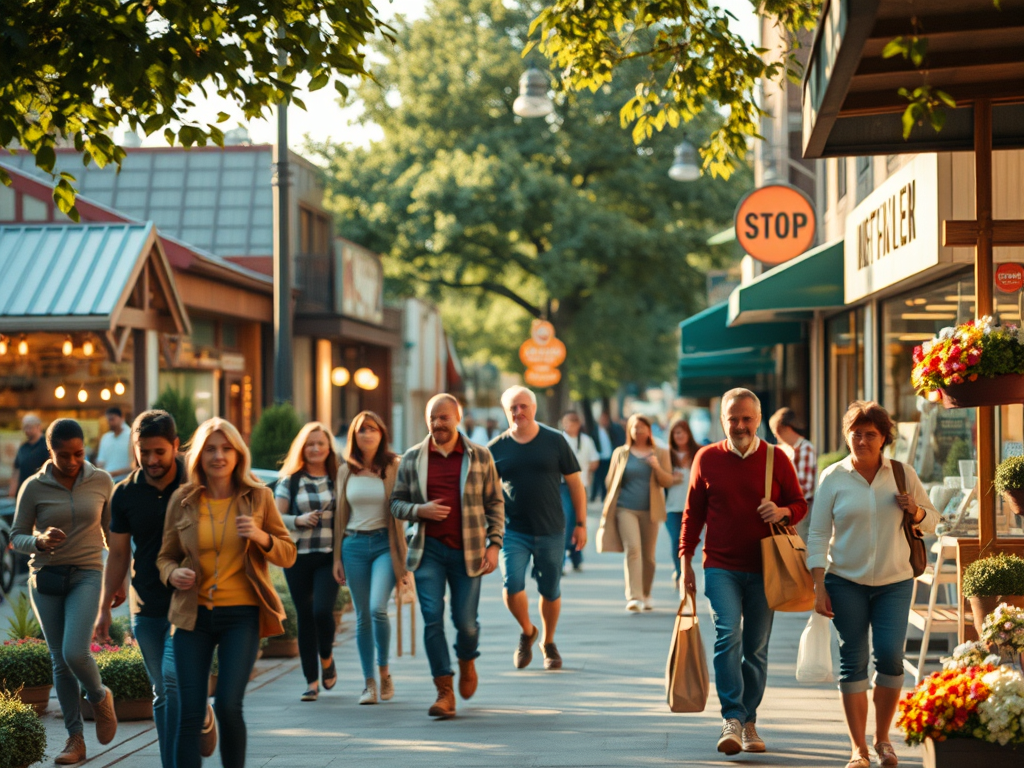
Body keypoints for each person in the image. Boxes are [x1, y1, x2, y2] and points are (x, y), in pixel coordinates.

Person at [157, 418, 296, 768]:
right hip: (192, 616)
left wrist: (262, 537)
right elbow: (165, 556)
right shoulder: (183, 499)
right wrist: (173, 574)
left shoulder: (260, 496)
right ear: (199, 456)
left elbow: (288, 553)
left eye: (226, 448)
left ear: (238, 454)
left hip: (242, 616)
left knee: (229, 706)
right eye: (210, 449)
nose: (218, 456)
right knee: (189, 712)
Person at [807, 401, 938, 768]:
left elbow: (933, 522)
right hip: (845, 580)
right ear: (847, 435)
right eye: (856, 432)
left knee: (891, 656)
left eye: (870, 434)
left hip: (894, 582)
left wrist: (915, 510)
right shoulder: (832, 476)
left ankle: (883, 741)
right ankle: (858, 749)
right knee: (853, 661)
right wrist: (818, 584)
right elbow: (817, 534)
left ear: (884, 439)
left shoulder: (902, 473)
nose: (862, 440)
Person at [680, 388, 807, 756]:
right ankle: (732, 718)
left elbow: (798, 504)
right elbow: (693, 514)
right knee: (727, 635)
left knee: (756, 648)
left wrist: (782, 512)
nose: (740, 425)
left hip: (767, 567)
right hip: (721, 565)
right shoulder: (706, 458)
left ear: (758, 419)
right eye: (733, 419)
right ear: (723, 420)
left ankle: (750, 721)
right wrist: (685, 560)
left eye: (747, 419)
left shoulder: (777, 459)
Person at [94, 410, 216, 766]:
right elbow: (117, 554)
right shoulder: (125, 493)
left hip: (194, 603)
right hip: (146, 604)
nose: (150, 460)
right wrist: (104, 607)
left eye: (159, 452)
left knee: (172, 682)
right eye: (142, 452)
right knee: (163, 691)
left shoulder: (199, 483)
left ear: (176, 446)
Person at [11, 418, 117, 765]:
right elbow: (16, 536)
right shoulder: (33, 487)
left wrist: (121, 581)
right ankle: (75, 739)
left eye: (78, 453)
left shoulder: (101, 481)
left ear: (85, 449)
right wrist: (38, 541)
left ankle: (100, 697)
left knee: (75, 652)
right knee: (59, 660)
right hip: (46, 578)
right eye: (62, 455)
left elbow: (115, 537)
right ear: (49, 451)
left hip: (87, 573)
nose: (71, 461)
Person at [391, 394, 505, 718]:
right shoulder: (413, 458)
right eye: (433, 418)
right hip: (428, 552)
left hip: (468, 551)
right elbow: (396, 503)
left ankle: (467, 660)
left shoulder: (480, 456)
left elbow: (495, 504)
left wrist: (494, 545)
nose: (438, 424)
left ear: (458, 417)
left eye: (444, 417)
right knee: (431, 618)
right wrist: (419, 510)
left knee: (465, 623)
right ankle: (444, 691)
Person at [489, 386, 585, 670]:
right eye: (512, 408)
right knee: (511, 585)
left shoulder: (555, 441)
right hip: (512, 531)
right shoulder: (495, 449)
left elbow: (575, 484)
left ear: (533, 407)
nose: (519, 412)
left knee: (550, 589)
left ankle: (549, 641)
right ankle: (528, 630)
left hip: (551, 529)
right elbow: (484, 494)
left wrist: (580, 523)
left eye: (523, 406)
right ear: (506, 412)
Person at [331, 411, 407, 705]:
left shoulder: (394, 467)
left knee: (377, 608)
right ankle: (369, 683)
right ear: (354, 436)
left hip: (385, 545)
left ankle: (385, 671)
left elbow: (403, 509)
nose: (367, 434)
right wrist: (337, 556)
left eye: (373, 429)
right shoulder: (345, 471)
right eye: (362, 430)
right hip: (353, 546)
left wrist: (405, 556)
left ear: (382, 434)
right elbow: (340, 517)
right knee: (363, 617)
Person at [275, 421, 341, 702]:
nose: (315, 448)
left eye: (321, 444)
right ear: (302, 447)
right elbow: (274, 517)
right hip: (296, 558)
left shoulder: (339, 478)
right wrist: (297, 520)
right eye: (310, 444)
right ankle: (311, 682)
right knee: (304, 616)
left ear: (329, 448)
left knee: (322, 612)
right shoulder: (290, 480)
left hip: (329, 557)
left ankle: (326, 656)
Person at [596, 414, 678, 612]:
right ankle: (634, 597)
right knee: (633, 549)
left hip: (651, 511)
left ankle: (647, 593)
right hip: (625, 509)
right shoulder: (621, 453)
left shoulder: (661, 452)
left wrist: (656, 466)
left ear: (649, 430)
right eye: (635, 427)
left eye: (642, 427)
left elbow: (667, 481)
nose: (638, 431)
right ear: (629, 431)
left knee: (648, 556)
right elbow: (609, 482)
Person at [769, 407, 819, 541]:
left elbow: (805, 487)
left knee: (799, 549)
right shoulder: (786, 450)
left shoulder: (805, 448)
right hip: (785, 509)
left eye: (776, 432)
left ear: (785, 428)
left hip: (800, 510)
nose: (777, 437)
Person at [560, 411, 599, 573]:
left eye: (574, 422)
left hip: (581, 486)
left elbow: (595, 460)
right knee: (565, 520)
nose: (570, 425)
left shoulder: (586, 441)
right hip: (563, 486)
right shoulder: (559, 439)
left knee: (579, 521)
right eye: (567, 422)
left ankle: (577, 557)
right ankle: (562, 559)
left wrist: (586, 472)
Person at [664, 418, 699, 593]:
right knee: (676, 541)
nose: (680, 435)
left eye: (683, 432)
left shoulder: (698, 452)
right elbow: (659, 480)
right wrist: (670, 479)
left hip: (693, 508)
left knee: (689, 543)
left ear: (689, 434)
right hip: (671, 507)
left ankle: (685, 569)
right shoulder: (666, 455)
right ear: (672, 435)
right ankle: (680, 573)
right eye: (676, 432)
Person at [9, 413, 48, 498]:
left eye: (29, 427)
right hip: (23, 493)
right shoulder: (23, 447)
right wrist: (12, 490)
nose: (26, 430)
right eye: (25, 427)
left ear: (38, 427)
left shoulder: (46, 446)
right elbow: (16, 468)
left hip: (41, 493)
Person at [590, 411, 625, 502]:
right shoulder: (594, 431)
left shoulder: (612, 430)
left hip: (610, 457)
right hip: (599, 458)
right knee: (598, 478)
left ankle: (605, 495)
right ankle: (595, 496)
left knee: (608, 477)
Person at [96, 407, 132, 481]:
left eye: (112, 419)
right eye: (108, 420)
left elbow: (134, 465)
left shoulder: (131, 436)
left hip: (126, 482)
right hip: (108, 482)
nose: (110, 422)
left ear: (122, 418)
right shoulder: (105, 438)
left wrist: (113, 473)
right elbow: (100, 462)